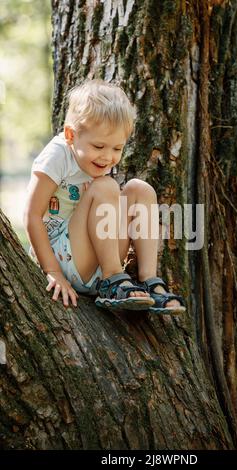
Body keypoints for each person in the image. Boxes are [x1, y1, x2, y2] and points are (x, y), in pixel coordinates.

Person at [23, 78, 186, 315]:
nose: (107, 157)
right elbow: (31, 216)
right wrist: (53, 272)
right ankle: (113, 279)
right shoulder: (56, 155)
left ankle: (149, 280)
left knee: (140, 189)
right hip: (59, 257)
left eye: (117, 149)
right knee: (106, 187)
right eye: (99, 147)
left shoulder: (95, 161)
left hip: (95, 259)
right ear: (71, 134)